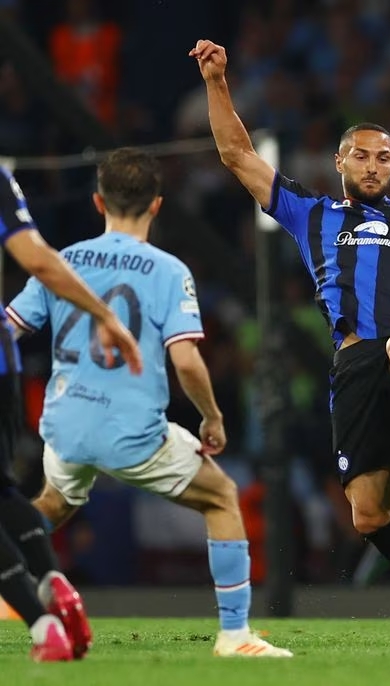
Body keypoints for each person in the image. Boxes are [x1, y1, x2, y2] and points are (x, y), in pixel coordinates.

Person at [191, 39, 390, 645]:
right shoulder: (313, 213)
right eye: (362, 156)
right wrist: (218, 81)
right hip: (354, 366)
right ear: (340, 161)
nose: (374, 165)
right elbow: (236, 153)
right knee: (368, 513)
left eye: (384, 158)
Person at [10, 148, 290, 658]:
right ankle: (235, 635)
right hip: (131, 433)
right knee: (222, 497)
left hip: (65, 423)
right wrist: (212, 416)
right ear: (157, 205)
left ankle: (10, 579)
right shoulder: (168, 270)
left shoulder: (62, 262)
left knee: (53, 504)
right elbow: (185, 361)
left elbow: (11, 327)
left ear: (98, 201)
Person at [0, 165, 141, 662]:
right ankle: (55, 584)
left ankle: (42, 627)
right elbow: (36, 258)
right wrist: (102, 313)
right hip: (4, 363)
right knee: (4, 494)